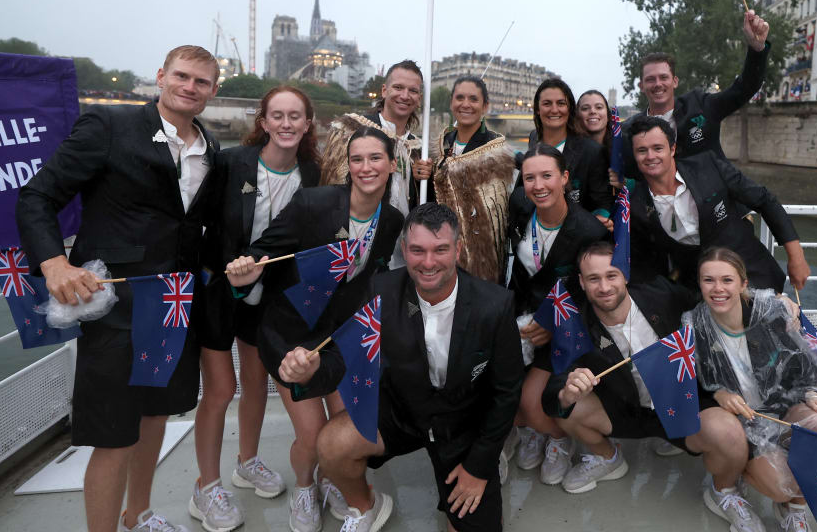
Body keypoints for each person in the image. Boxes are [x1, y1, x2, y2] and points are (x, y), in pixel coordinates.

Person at [16, 45, 221, 532]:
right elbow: (37, 196)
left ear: (214, 91)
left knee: (155, 418)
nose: (190, 87)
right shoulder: (108, 127)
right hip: (116, 309)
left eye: (202, 82)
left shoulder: (209, 146)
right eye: (182, 76)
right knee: (113, 435)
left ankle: (139, 515)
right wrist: (53, 263)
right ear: (161, 76)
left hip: (172, 306)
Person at [225, 126, 404, 532]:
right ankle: (305, 487)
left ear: (392, 164)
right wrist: (243, 271)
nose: (366, 167)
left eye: (375, 158)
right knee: (311, 434)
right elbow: (264, 251)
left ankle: (331, 479)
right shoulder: (312, 202)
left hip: (339, 336)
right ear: (347, 165)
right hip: (290, 331)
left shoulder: (391, 221)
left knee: (345, 431)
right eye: (357, 159)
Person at [304, 202, 522, 531]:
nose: (428, 262)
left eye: (441, 249)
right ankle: (366, 506)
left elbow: (506, 392)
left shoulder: (494, 306)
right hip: (402, 410)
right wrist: (310, 370)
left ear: (458, 249)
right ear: (404, 249)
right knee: (332, 445)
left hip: (462, 424)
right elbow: (346, 355)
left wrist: (479, 465)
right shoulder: (381, 290)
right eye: (417, 250)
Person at [542, 242, 767, 532]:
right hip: (627, 410)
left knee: (731, 436)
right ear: (582, 284)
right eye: (593, 279)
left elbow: (717, 300)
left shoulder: (663, 295)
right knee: (568, 407)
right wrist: (567, 391)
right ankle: (607, 457)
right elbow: (551, 392)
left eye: (611, 275)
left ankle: (723, 491)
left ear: (625, 275)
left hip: (682, 403)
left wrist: (772, 304)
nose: (604, 286)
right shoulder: (577, 325)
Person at [189, 85, 321, 530]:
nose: (286, 124)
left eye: (295, 116)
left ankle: (246, 461)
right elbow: (195, 219)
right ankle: (205, 485)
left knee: (256, 379)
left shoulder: (313, 174)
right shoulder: (232, 164)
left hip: (270, 297)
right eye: (277, 116)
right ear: (263, 122)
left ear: (307, 124)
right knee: (221, 390)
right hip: (218, 289)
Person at [684, 247, 817, 532]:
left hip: (781, 409)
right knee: (781, 485)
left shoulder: (771, 312)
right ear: (699, 283)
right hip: (742, 424)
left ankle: (796, 508)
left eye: (727, 280)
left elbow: (805, 365)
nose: (718, 289)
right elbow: (688, 385)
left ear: (743, 283)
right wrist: (718, 393)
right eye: (708, 280)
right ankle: (755, 485)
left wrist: (814, 396)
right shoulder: (694, 326)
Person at [505, 144, 609, 485]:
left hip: (563, 327)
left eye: (547, 176)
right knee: (505, 392)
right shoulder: (520, 205)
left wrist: (552, 325)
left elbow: (594, 295)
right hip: (520, 317)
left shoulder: (588, 231)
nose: (538, 186)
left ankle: (559, 440)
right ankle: (536, 433)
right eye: (530, 177)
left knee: (532, 404)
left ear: (564, 178)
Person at [627, 116, 810, 292]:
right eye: (642, 150)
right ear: (634, 155)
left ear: (672, 149)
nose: (650, 156)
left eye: (658, 148)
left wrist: (796, 257)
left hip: (751, 273)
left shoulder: (709, 166)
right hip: (699, 290)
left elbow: (764, 199)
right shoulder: (635, 203)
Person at [620, 10, 771, 176]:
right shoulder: (628, 130)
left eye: (663, 77)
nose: (658, 84)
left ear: (675, 81)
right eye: (650, 79)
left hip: (709, 199)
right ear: (641, 86)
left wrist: (757, 49)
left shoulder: (700, 106)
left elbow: (744, 88)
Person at [423, 75, 515, 283]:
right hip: (439, 251)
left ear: (485, 106)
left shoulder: (497, 151)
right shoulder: (439, 145)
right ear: (451, 102)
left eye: (473, 99)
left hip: (482, 258)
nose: (466, 104)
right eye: (460, 98)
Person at [320, 60, 429, 219]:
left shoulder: (419, 149)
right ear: (384, 90)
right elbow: (330, 185)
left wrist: (422, 178)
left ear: (419, 99)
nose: (405, 96)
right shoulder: (350, 130)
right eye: (398, 87)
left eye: (412, 90)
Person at [526, 78, 613, 229]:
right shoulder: (534, 138)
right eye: (547, 104)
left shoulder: (591, 151)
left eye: (561, 103)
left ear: (570, 108)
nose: (554, 110)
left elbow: (602, 202)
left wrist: (596, 222)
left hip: (574, 236)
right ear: (537, 109)